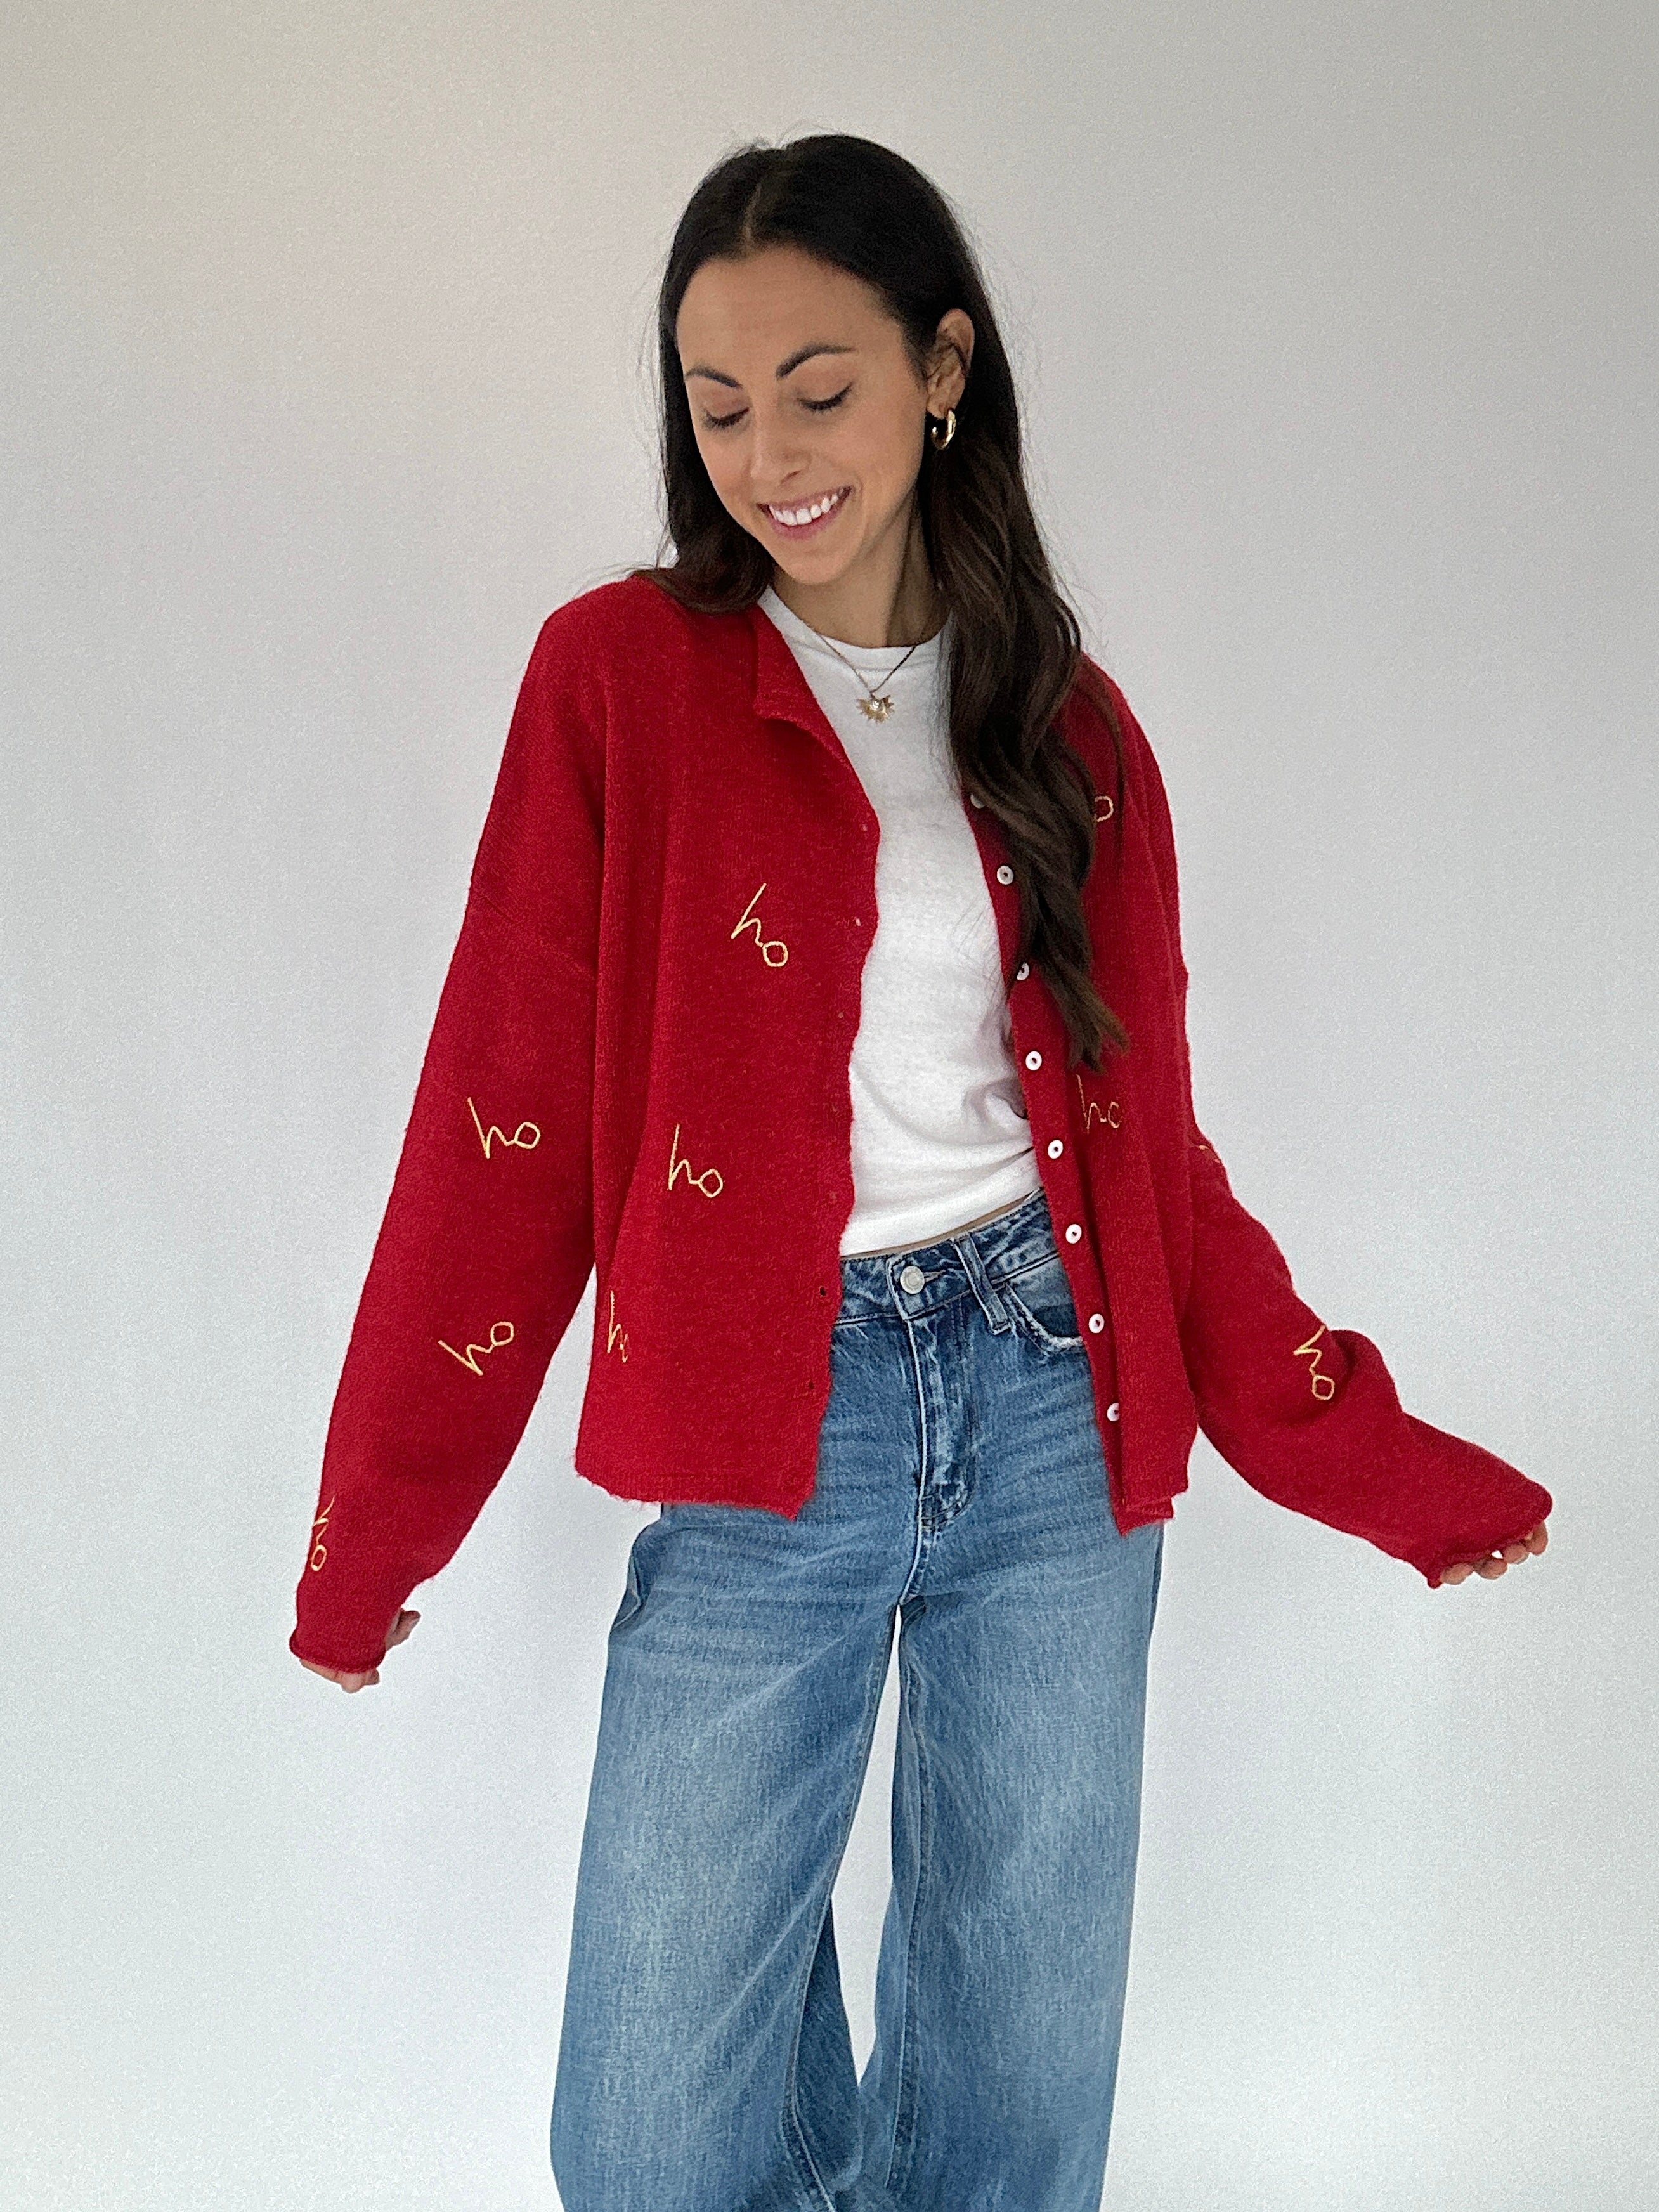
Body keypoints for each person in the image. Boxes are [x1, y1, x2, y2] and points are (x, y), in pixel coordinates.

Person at [289, 134, 1551, 2211]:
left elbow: (1153, 1167)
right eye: (715, 404)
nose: (767, 450)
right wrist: (373, 1532)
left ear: (939, 367)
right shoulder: (618, 683)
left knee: (1010, 2117)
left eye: (820, 384)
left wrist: (1373, 1459)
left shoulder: (1077, 729)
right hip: (765, 1426)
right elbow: (497, 1128)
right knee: (652, 2138)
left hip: (1061, 1414)